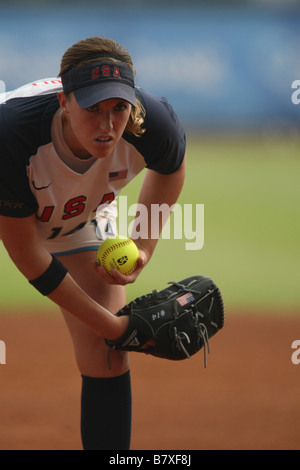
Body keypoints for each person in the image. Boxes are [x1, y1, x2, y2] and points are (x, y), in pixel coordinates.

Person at [0, 36, 186, 450]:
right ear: (65, 102)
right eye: (92, 108)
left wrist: (143, 247)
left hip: (76, 218)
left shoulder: (153, 123)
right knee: (109, 333)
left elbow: (171, 169)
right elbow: (28, 253)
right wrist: (114, 325)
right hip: (14, 210)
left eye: (118, 107)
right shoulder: (12, 134)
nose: (107, 124)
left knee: (107, 354)